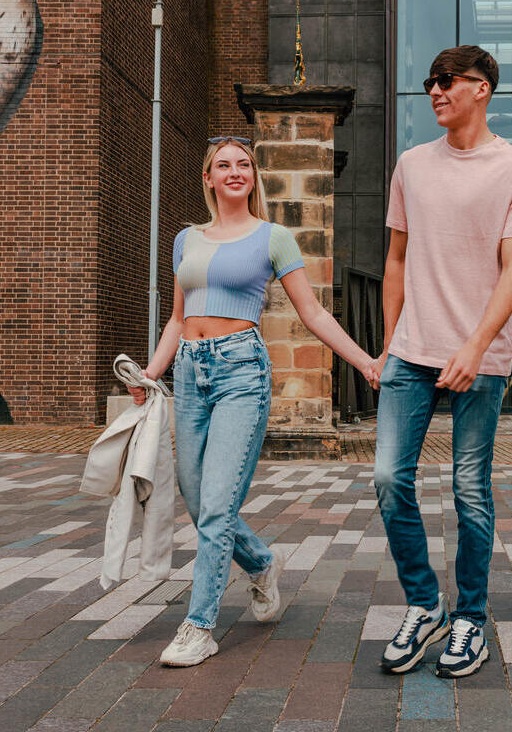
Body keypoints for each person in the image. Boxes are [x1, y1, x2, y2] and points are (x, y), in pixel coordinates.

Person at [128, 134, 377, 668]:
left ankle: (199, 626)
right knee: (199, 506)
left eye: (244, 164)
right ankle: (262, 564)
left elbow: (313, 313)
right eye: (225, 164)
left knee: (217, 507)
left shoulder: (274, 237)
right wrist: (150, 373)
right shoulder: (186, 238)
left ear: (252, 178)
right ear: (209, 178)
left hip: (242, 371)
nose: (236, 171)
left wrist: (364, 361)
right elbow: (177, 317)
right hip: (191, 372)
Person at [372, 46, 512, 678]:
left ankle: (471, 617)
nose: (435, 91)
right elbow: (395, 260)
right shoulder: (412, 166)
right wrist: (390, 341)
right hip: (412, 351)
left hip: (484, 354)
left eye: (447, 82)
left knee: (471, 488)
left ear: (482, 89)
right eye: (429, 83)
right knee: (390, 479)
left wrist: (474, 345)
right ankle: (425, 604)